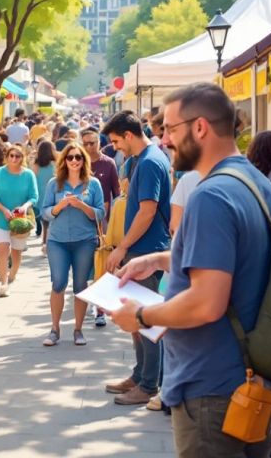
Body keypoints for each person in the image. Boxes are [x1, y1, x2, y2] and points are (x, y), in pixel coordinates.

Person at [111, 83, 271, 456]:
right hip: (250, 379)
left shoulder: (211, 195)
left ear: (200, 127)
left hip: (213, 388)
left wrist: (141, 315)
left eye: (170, 130)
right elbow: (240, 259)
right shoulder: (254, 183)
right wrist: (160, 259)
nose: (164, 140)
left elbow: (207, 303)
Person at [101, 110, 172, 406]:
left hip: (148, 251)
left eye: (116, 141)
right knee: (136, 320)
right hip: (141, 250)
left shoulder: (151, 161)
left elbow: (148, 210)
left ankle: (148, 383)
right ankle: (140, 374)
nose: (115, 147)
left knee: (147, 322)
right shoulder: (141, 160)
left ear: (129, 135)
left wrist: (121, 247)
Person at [40, 142, 104, 347]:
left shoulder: (93, 184)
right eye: (70, 157)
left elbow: (100, 213)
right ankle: (54, 329)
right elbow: (44, 212)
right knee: (58, 283)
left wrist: (82, 205)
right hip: (57, 240)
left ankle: (78, 330)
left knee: (80, 285)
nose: (74, 161)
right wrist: (60, 206)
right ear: (64, 161)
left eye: (78, 157)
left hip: (84, 240)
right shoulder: (54, 184)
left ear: (84, 160)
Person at [0, 143, 39, 297]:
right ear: (7, 157)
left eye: (18, 156)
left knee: (16, 252)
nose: (14, 159)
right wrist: (3, 209)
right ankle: (3, 283)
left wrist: (24, 206)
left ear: (22, 158)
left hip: (20, 220)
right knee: (3, 249)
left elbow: (34, 196)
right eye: (12, 156)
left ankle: (12, 275)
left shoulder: (28, 175)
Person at [82, 129, 120, 221]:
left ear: (99, 143)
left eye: (91, 143)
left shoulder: (109, 163)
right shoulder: (78, 162)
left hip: (103, 213)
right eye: (85, 144)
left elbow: (116, 189)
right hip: (82, 212)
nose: (88, 147)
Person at [32, 140, 57, 246]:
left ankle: (44, 237)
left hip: (39, 193)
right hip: (52, 192)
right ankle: (46, 239)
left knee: (42, 217)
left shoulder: (36, 164)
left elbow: (33, 178)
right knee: (51, 216)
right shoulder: (54, 163)